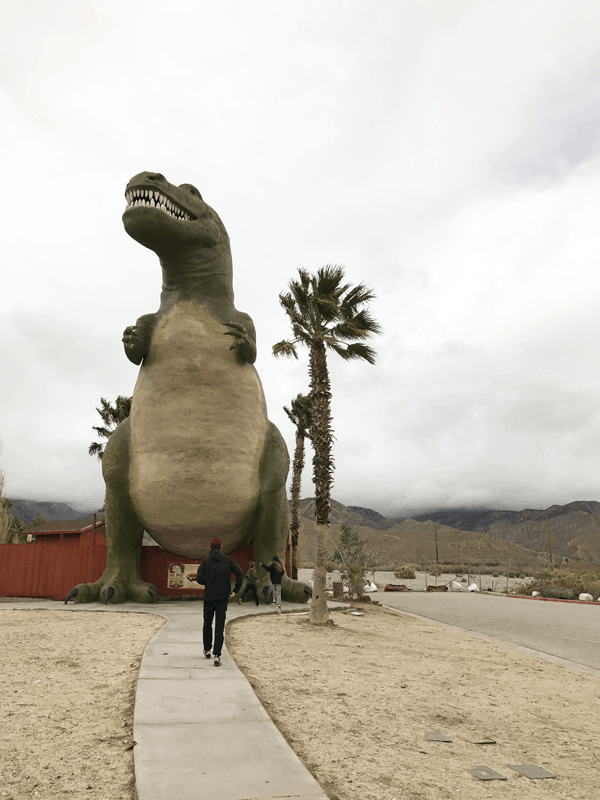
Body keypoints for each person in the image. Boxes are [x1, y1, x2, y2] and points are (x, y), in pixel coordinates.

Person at [196, 537, 243, 666]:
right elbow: (239, 573)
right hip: (223, 597)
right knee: (220, 625)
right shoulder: (228, 560)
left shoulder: (205, 561)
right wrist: (235, 590)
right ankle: (217, 655)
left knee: (207, 623)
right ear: (221, 547)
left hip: (209, 597)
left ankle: (207, 649)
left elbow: (199, 578)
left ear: (210, 547)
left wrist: (208, 582)